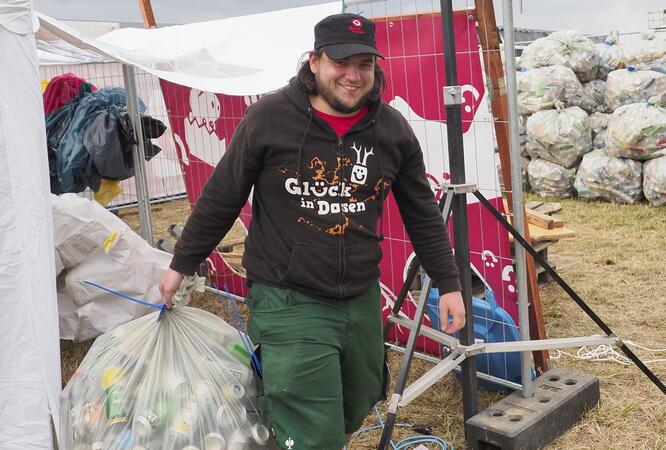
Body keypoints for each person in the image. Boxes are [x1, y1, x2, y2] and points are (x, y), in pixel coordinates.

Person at [159, 12, 466, 450]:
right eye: (341, 62)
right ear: (314, 62)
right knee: (312, 428)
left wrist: (449, 283)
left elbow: (422, 213)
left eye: (364, 64)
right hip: (289, 296)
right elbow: (222, 195)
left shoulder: (391, 129)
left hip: (359, 297)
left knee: (356, 401)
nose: (353, 75)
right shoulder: (270, 118)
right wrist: (181, 264)